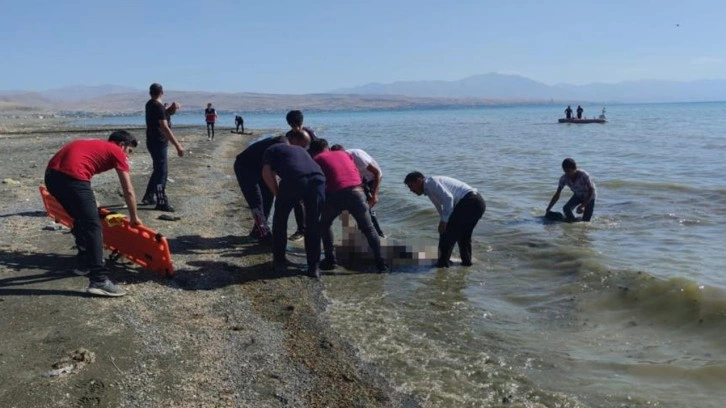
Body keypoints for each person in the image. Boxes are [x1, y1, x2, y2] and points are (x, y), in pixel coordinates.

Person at [44, 130, 141, 297]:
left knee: (81, 219)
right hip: (72, 177)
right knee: (93, 225)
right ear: (122, 145)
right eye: (129, 151)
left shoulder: (97, 145)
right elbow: (128, 189)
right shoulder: (117, 151)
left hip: (51, 177)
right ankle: (99, 280)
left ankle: (84, 264)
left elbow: (81, 162)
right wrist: (134, 217)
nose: (128, 156)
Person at [309, 139, 388, 273]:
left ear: (313, 151)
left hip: (336, 194)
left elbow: (317, 181)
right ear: (327, 148)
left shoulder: (316, 158)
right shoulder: (345, 154)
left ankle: (331, 260)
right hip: (358, 192)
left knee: (325, 224)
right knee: (369, 228)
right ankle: (380, 264)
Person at [262, 129, 325, 278]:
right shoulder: (300, 150)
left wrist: (278, 194)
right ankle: (313, 268)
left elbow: (266, 172)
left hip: (294, 180)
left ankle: (279, 262)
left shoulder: (271, 149)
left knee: (280, 221)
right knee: (313, 224)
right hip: (319, 179)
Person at [404, 172, 486, 268]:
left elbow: (448, 198)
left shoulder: (430, 183)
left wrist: (444, 221)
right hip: (478, 203)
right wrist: (443, 220)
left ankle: (442, 264)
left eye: (411, 186)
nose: (411, 190)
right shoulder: (429, 188)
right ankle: (466, 264)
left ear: (419, 180)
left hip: (470, 201)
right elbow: (440, 206)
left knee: (447, 233)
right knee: (464, 236)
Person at [233, 135, 287, 241]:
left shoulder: (281, 147)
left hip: (259, 167)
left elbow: (275, 172)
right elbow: (269, 172)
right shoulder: (272, 150)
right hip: (244, 167)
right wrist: (278, 194)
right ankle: (263, 233)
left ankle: (258, 230)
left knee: (268, 196)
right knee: (256, 201)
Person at [142, 83, 184, 212]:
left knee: (158, 169)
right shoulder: (158, 107)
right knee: (162, 172)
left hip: (152, 141)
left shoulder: (150, 104)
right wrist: (178, 145)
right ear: (162, 92)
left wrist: (171, 109)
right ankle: (161, 201)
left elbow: (162, 115)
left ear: (150, 93)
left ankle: (149, 196)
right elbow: (164, 127)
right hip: (159, 142)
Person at [330, 144, 385, 237]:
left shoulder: (357, 156)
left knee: (367, 208)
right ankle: (361, 232)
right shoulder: (339, 161)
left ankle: (378, 234)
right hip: (358, 179)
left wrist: (374, 195)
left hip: (372, 178)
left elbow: (377, 173)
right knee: (351, 207)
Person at [285, 110, 318, 242]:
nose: (295, 128)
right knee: (297, 201)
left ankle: (314, 229)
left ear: (302, 122)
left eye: (297, 124)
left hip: (312, 170)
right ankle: (302, 229)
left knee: (313, 201)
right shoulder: (288, 136)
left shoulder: (310, 134)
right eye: (292, 125)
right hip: (296, 171)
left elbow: (319, 151)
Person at [545, 158, 596, 222]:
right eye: (565, 171)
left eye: (569, 171)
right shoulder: (563, 178)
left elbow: (591, 190)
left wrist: (583, 206)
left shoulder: (583, 175)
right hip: (578, 195)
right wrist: (548, 209)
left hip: (589, 196)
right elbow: (557, 194)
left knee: (586, 221)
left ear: (575, 169)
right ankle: (573, 222)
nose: (567, 174)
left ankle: (577, 221)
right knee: (566, 208)